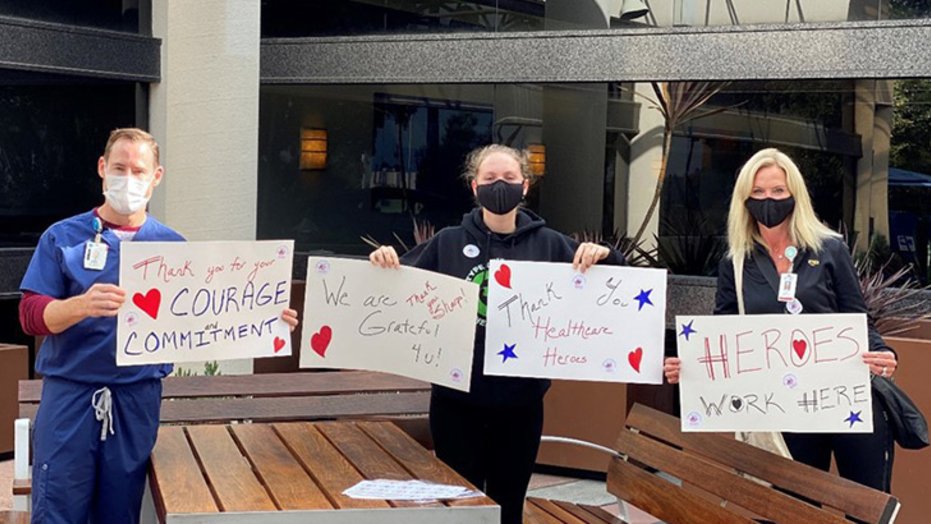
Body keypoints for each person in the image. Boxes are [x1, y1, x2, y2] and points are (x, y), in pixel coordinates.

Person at [18, 128, 299, 523]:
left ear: (157, 176)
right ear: (102, 168)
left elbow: (207, 315)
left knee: (121, 511)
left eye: (138, 170)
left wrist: (264, 318)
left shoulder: (172, 248)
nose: (128, 179)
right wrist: (80, 306)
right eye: (119, 168)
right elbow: (31, 315)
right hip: (71, 397)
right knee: (58, 509)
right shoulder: (63, 238)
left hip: (135, 399)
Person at [370, 144, 623, 523]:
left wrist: (602, 254)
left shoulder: (550, 244)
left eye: (508, 179)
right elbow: (394, 287)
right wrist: (381, 261)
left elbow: (614, 283)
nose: (499, 186)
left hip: (520, 406)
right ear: (474, 187)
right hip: (456, 404)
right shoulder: (448, 242)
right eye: (490, 179)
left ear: (525, 186)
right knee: (460, 509)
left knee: (508, 507)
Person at [663, 148, 897, 492]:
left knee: (866, 502)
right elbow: (724, 330)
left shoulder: (829, 249)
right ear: (744, 199)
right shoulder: (735, 261)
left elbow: (857, 317)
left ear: (794, 196)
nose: (767, 200)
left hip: (847, 398)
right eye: (757, 192)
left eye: (777, 192)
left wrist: (884, 354)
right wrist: (691, 365)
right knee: (794, 505)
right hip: (785, 406)